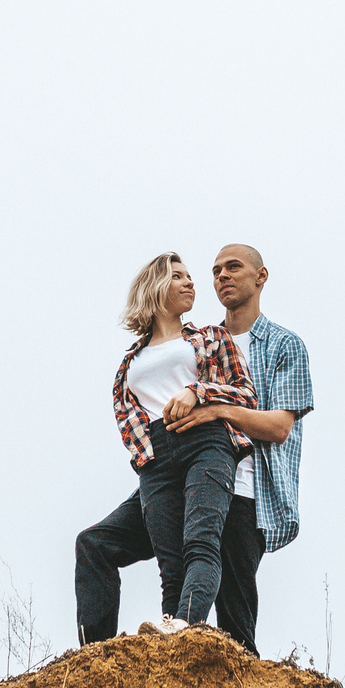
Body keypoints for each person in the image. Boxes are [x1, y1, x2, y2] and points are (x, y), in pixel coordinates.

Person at [74, 243, 313, 654]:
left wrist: (208, 406)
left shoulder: (276, 345)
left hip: (244, 485)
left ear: (261, 276)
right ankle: (119, 655)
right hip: (165, 467)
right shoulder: (198, 340)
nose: (218, 276)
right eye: (215, 269)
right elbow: (132, 413)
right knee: (107, 546)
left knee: (235, 622)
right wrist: (146, 456)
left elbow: (277, 426)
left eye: (233, 267)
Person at [95, 252, 259, 636]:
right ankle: (173, 636)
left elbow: (245, 394)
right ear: (155, 289)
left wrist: (197, 391)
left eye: (190, 277)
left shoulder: (210, 338)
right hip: (155, 456)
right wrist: (144, 457)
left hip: (206, 442)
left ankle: (188, 622)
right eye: (178, 277)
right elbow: (126, 418)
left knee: (201, 542)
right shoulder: (127, 365)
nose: (191, 282)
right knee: (170, 565)